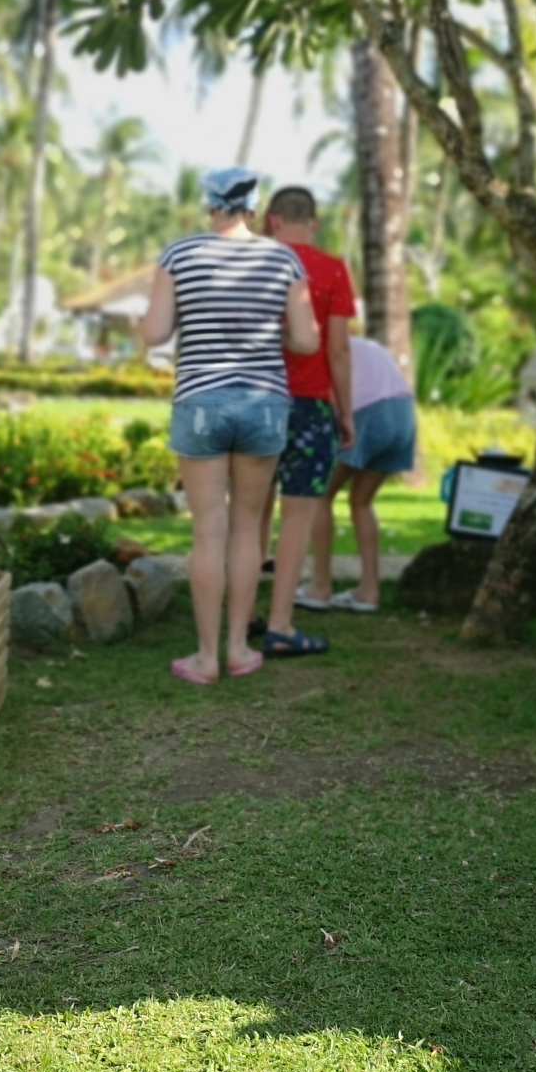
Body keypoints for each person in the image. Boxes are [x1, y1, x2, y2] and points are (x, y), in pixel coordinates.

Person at [139, 167, 319, 685]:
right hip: (264, 402)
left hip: (200, 401)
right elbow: (306, 341)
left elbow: (154, 332)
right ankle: (239, 649)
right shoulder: (282, 258)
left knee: (207, 531)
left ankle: (205, 656)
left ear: (210, 205)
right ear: (254, 208)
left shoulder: (180, 254)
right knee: (246, 529)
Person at [256, 186, 354, 655]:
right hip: (309, 406)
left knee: (250, 513)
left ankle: (244, 617)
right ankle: (280, 625)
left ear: (272, 219)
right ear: (312, 222)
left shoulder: (253, 265)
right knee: (296, 518)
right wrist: (346, 411)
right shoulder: (331, 269)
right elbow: (336, 348)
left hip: (255, 401)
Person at [303, 334, 417, 612]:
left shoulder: (321, 349)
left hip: (368, 411)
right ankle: (369, 591)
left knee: (318, 494)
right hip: (403, 414)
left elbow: (323, 402)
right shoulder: (369, 345)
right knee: (361, 502)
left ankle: (319, 587)